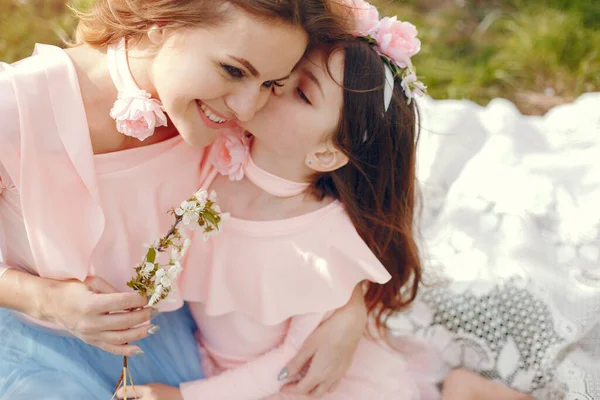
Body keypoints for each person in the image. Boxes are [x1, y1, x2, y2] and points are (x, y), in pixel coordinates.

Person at [117, 2, 539, 398]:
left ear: (325, 153)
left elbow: (293, 361)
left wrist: (186, 396)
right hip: (217, 362)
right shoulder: (214, 149)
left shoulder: (319, 243)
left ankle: (459, 388)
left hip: (294, 382)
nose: (273, 87)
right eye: (281, 75)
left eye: (301, 93)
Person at [0, 1, 369, 398]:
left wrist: (348, 307)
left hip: (162, 334)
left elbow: (302, 206)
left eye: (270, 84)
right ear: (161, 23)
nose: (247, 108)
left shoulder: (230, 127)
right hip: (35, 338)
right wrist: (49, 302)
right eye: (233, 70)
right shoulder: (15, 106)